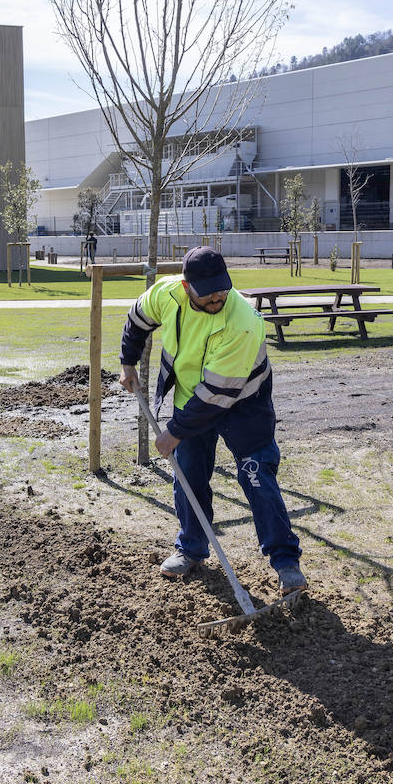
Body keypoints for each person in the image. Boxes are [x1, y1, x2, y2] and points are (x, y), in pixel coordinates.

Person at [118, 246, 307, 596]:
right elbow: (137, 319)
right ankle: (190, 548)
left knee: (257, 475)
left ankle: (286, 562)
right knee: (188, 474)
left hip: (243, 403)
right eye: (210, 293)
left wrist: (174, 431)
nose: (219, 296)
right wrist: (128, 362)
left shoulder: (243, 322)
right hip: (193, 398)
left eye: (223, 288)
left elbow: (219, 394)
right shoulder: (166, 293)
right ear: (188, 287)